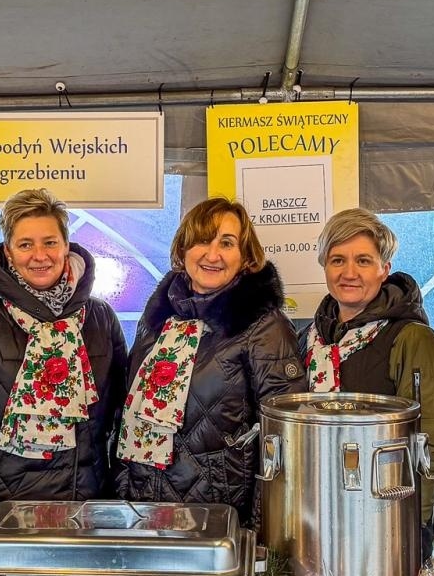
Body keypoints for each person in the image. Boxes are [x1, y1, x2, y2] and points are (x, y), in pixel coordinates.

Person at [0, 189, 125, 529]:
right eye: (25, 244)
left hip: (88, 510)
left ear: (67, 246)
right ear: (8, 251)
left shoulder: (100, 318)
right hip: (3, 512)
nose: (40, 255)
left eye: (50, 242)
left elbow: (118, 416)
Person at [116, 197, 306, 519]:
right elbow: (125, 413)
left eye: (227, 243)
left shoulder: (264, 327)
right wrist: (121, 495)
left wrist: (262, 529)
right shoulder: (158, 318)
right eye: (202, 240)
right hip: (142, 509)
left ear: (246, 257)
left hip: (218, 516)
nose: (212, 254)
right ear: (183, 250)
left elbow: (287, 438)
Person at [303, 208, 434, 546]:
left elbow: (431, 443)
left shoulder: (413, 339)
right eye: (337, 260)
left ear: (384, 269)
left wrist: (411, 524)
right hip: (316, 512)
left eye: (364, 261)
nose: (349, 273)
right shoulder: (310, 340)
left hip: (384, 520)